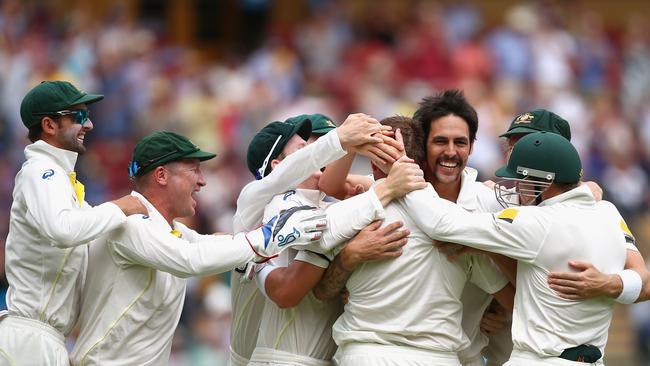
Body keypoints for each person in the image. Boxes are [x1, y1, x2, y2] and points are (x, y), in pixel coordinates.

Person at [69, 131, 329, 365]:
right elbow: (193, 259)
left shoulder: (174, 232)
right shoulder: (132, 224)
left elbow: (213, 243)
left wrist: (264, 239)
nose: (203, 181)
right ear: (161, 175)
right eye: (194, 169)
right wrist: (271, 233)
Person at [401, 131, 629, 365]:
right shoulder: (609, 213)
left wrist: (404, 173)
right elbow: (638, 277)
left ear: (545, 181)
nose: (517, 188)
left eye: (522, 180)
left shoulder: (536, 222)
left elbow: (442, 224)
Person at [317, 115, 513, 366]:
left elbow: (322, 292)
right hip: (437, 358)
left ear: (374, 164)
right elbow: (514, 301)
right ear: (424, 162)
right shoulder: (462, 226)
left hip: (365, 354)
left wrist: (348, 258)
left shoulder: (349, 217)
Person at [247, 115, 422, 366]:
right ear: (279, 165)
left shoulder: (331, 201)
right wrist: (383, 191)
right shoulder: (280, 204)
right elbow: (323, 228)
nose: (318, 154)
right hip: (285, 359)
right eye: (305, 149)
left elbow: (337, 191)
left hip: (330, 356)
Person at [0, 81, 147, 366]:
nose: (89, 124)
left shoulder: (62, 180)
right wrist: (121, 206)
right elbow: (63, 230)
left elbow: (89, 236)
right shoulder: (42, 171)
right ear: (49, 125)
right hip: (30, 341)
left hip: (43, 341)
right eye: (78, 116)